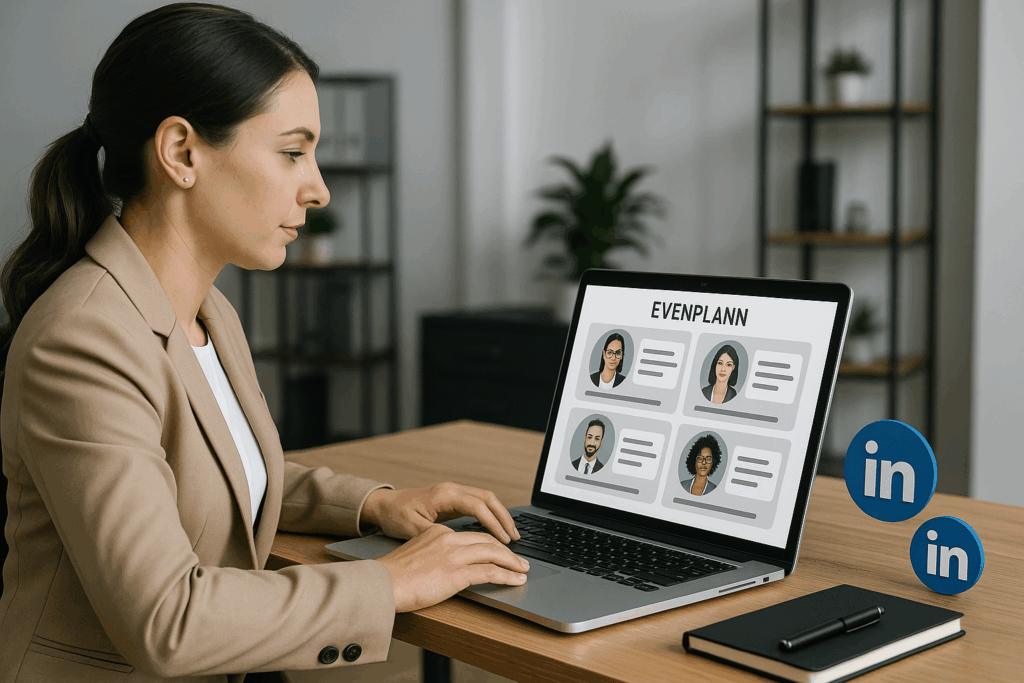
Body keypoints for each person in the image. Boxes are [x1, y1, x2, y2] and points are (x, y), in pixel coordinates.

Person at [0, 5, 529, 682]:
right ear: (182, 152)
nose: (317, 188)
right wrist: (390, 583)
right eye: (291, 152)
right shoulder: (83, 338)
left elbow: (214, 468)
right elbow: (168, 620)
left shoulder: (208, 311)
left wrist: (374, 503)